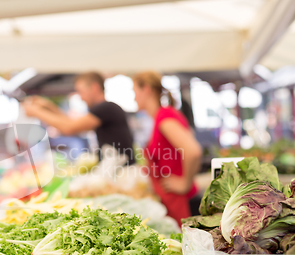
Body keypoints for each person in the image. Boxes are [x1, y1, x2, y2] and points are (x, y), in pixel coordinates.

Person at [133, 71, 202, 225]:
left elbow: (193, 151)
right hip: (171, 200)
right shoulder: (161, 116)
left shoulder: (165, 117)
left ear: (147, 90)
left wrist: (185, 182)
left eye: (135, 92)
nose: (134, 97)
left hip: (179, 201)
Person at [23, 72, 135, 165]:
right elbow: (70, 122)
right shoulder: (105, 109)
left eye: (81, 91)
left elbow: (69, 127)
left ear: (95, 87)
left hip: (121, 171)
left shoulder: (105, 108)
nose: (80, 97)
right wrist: (48, 106)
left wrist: (37, 112)